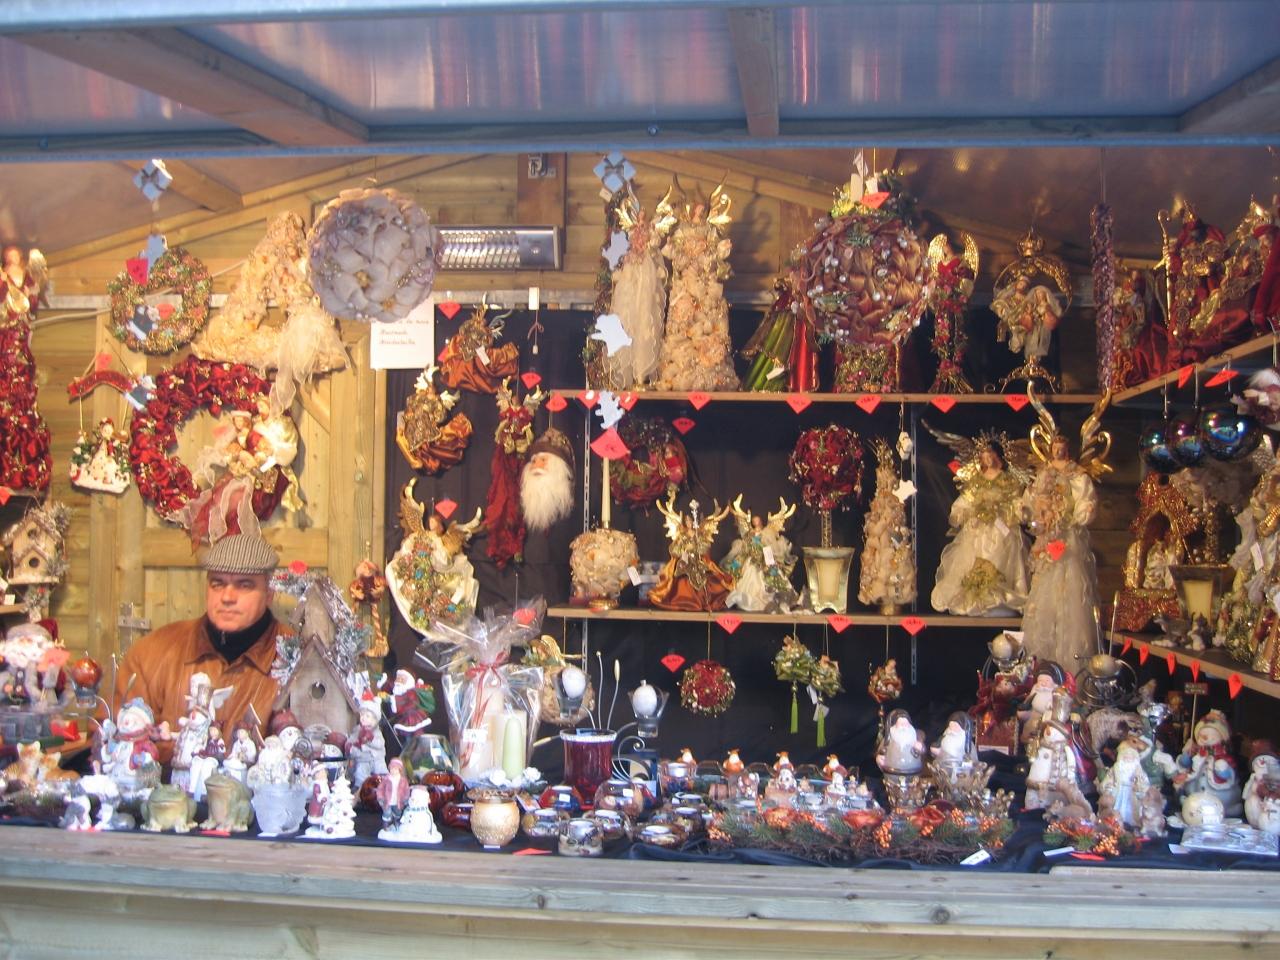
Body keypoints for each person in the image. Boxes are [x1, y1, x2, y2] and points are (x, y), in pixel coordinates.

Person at [113, 533, 290, 765]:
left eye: (244, 585)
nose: (227, 597)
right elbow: (115, 742)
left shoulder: (296, 659)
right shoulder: (152, 653)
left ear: (269, 594)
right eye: (217, 584)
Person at [1020, 434, 1101, 670]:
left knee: (1070, 591)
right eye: (1055, 448)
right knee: (1044, 592)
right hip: (1048, 540)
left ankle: (1071, 664)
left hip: (1068, 539)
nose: (1058, 451)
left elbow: (1085, 500)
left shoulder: (1077, 475)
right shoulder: (1044, 473)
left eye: (1062, 448)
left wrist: (1082, 512)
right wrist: (1033, 515)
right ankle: (1042, 666)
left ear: (1067, 449)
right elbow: (1031, 502)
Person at [930, 441, 1030, 616]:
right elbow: (965, 501)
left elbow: (1015, 501)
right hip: (979, 528)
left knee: (1006, 551)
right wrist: (963, 514)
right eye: (984, 456)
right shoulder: (976, 480)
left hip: (1000, 526)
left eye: (990, 455)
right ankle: (979, 597)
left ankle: (999, 598)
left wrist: (1017, 511)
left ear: (997, 456)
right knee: (975, 554)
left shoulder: (1007, 479)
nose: (988, 459)